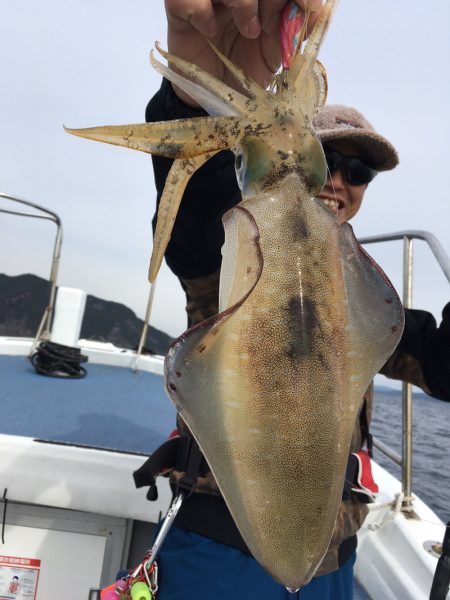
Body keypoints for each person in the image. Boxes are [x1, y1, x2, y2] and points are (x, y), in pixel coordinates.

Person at [143, 2, 450, 598]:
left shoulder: (359, 304)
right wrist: (195, 98)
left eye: (358, 171)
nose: (337, 179)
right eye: (326, 161)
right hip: (220, 546)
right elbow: (194, 230)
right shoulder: (232, 250)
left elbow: (444, 365)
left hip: (333, 558)